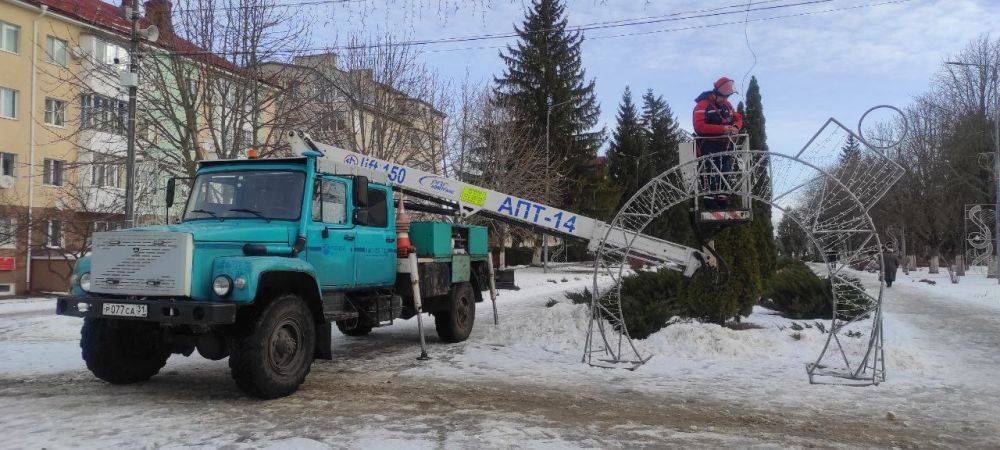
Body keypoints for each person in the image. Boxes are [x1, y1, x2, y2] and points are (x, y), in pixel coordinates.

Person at [693, 76, 743, 210]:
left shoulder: (727, 105)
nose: (724, 101)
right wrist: (723, 129)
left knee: (725, 169)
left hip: (725, 145)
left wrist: (736, 127)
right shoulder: (702, 105)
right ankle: (710, 198)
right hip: (708, 145)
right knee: (710, 170)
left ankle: (723, 198)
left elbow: (738, 118)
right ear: (715, 94)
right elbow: (699, 127)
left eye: (726, 98)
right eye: (722, 98)